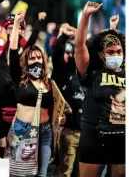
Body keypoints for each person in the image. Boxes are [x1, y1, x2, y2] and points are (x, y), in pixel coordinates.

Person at [0, 0, 45, 135]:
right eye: (9, 28)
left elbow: (34, 35)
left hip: (23, 116)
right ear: (5, 31)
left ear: (22, 31)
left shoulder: (28, 53)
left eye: (17, 27)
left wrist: (40, 21)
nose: (13, 30)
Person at [75, 1, 125, 177]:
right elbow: (80, 46)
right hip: (94, 139)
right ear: (101, 54)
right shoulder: (92, 71)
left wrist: (113, 29)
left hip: (122, 140)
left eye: (119, 51)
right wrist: (86, 16)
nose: (116, 55)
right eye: (111, 52)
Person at [4, 11, 54, 177]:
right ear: (26, 62)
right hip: (24, 130)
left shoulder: (47, 81)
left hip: (45, 131)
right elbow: (13, 51)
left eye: (39, 57)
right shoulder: (20, 78)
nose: (36, 61)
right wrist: (17, 23)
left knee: (42, 173)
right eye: (32, 58)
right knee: (21, 173)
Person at [51, 23, 85, 177]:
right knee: (65, 171)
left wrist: (80, 36)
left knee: (84, 173)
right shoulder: (62, 72)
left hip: (88, 132)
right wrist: (63, 36)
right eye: (70, 52)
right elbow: (56, 55)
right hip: (69, 131)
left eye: (75, 51)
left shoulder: (87, 73)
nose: (72, 55)